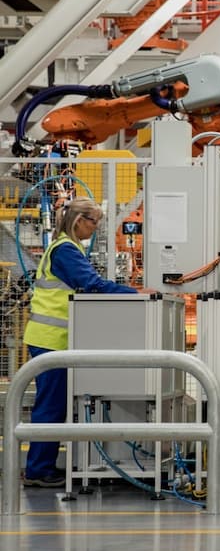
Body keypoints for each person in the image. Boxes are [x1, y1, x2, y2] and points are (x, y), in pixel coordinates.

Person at [22, 197, 137, 488]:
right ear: (78, 221)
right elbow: (92, 284)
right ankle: (38, 471)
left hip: (56, 340)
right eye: (93, 222)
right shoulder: (65, 250)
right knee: (51, 405)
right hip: (51, 340)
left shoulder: (68, 248)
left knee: (54, 404)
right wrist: (135, 294)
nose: (95, 228)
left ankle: (41, 467)